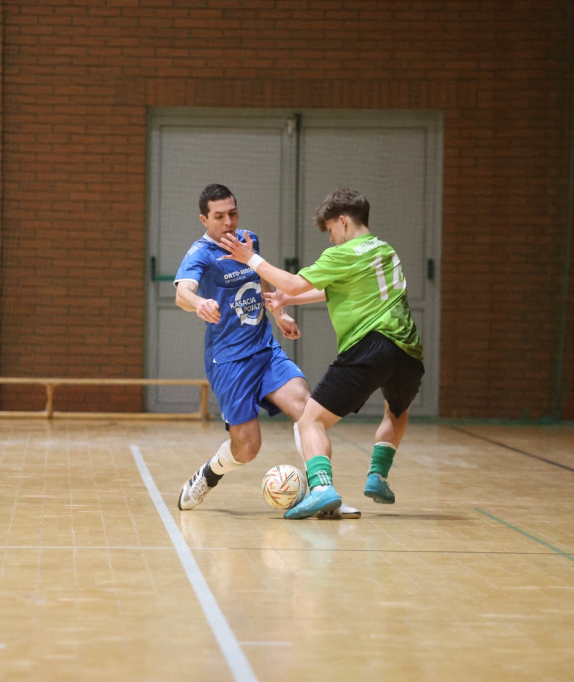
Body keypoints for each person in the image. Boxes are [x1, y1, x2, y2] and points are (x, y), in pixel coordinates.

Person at [220, 187, 425, 519]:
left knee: (310, 421)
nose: (331, 238)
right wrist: (287, 301)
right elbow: (334, 288)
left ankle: (320, 488)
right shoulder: (384, 250)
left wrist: (251, 259)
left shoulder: (342, 254)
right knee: (396, 412)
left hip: (370, 346)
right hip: (409, 352)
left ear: (342, 221)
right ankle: (378, 475)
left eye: (330, 229)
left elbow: (292, 282)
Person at [174, 183, 362, 517]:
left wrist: (279, 313)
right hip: (229, 361)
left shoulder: (249, 240)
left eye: (233, 213)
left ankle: (323, 492)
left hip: (265, 350)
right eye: (219, 216)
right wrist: (199, 302)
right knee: (247, 448)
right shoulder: (200, 254)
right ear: (204, 219)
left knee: (308, 410)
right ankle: (209, 474)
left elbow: (259, 279)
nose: (228, 222)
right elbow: (182, 293)